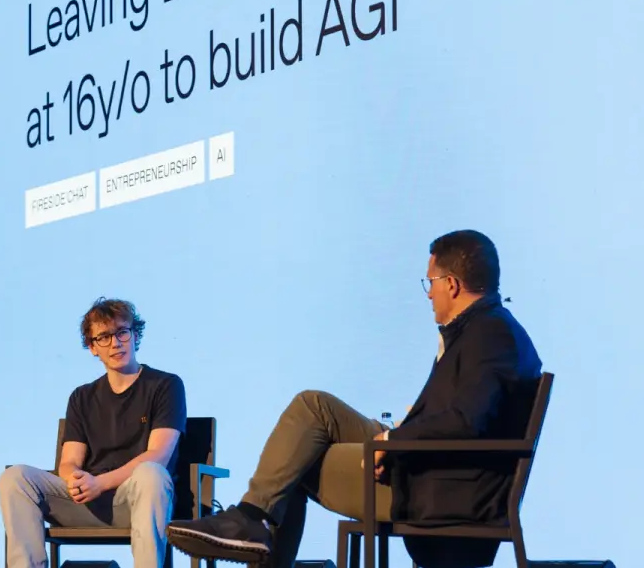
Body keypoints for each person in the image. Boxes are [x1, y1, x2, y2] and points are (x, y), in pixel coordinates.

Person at [167, 230, 542, 568]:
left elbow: (466, 420)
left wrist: (392, 442)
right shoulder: (485, 330)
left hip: (441, 488)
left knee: (295, 462)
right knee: (313, 407)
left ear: (453, 284)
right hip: (432, 466)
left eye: (431, 283)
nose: (429, 294)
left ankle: (249, 519)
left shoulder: (490, 335)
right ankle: (250, 517)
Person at [0, 297, 188, 568]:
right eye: (104, 337)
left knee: (151, 473)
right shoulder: (82, 396)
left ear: (135, 335)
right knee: (15, 477)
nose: (115, 343)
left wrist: (100, 483)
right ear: (92, 347)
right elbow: (69, 462)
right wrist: (76, 479)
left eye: (122, 332)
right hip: (88, 501)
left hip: (138, 500)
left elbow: (158, 454)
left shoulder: (165, 385)